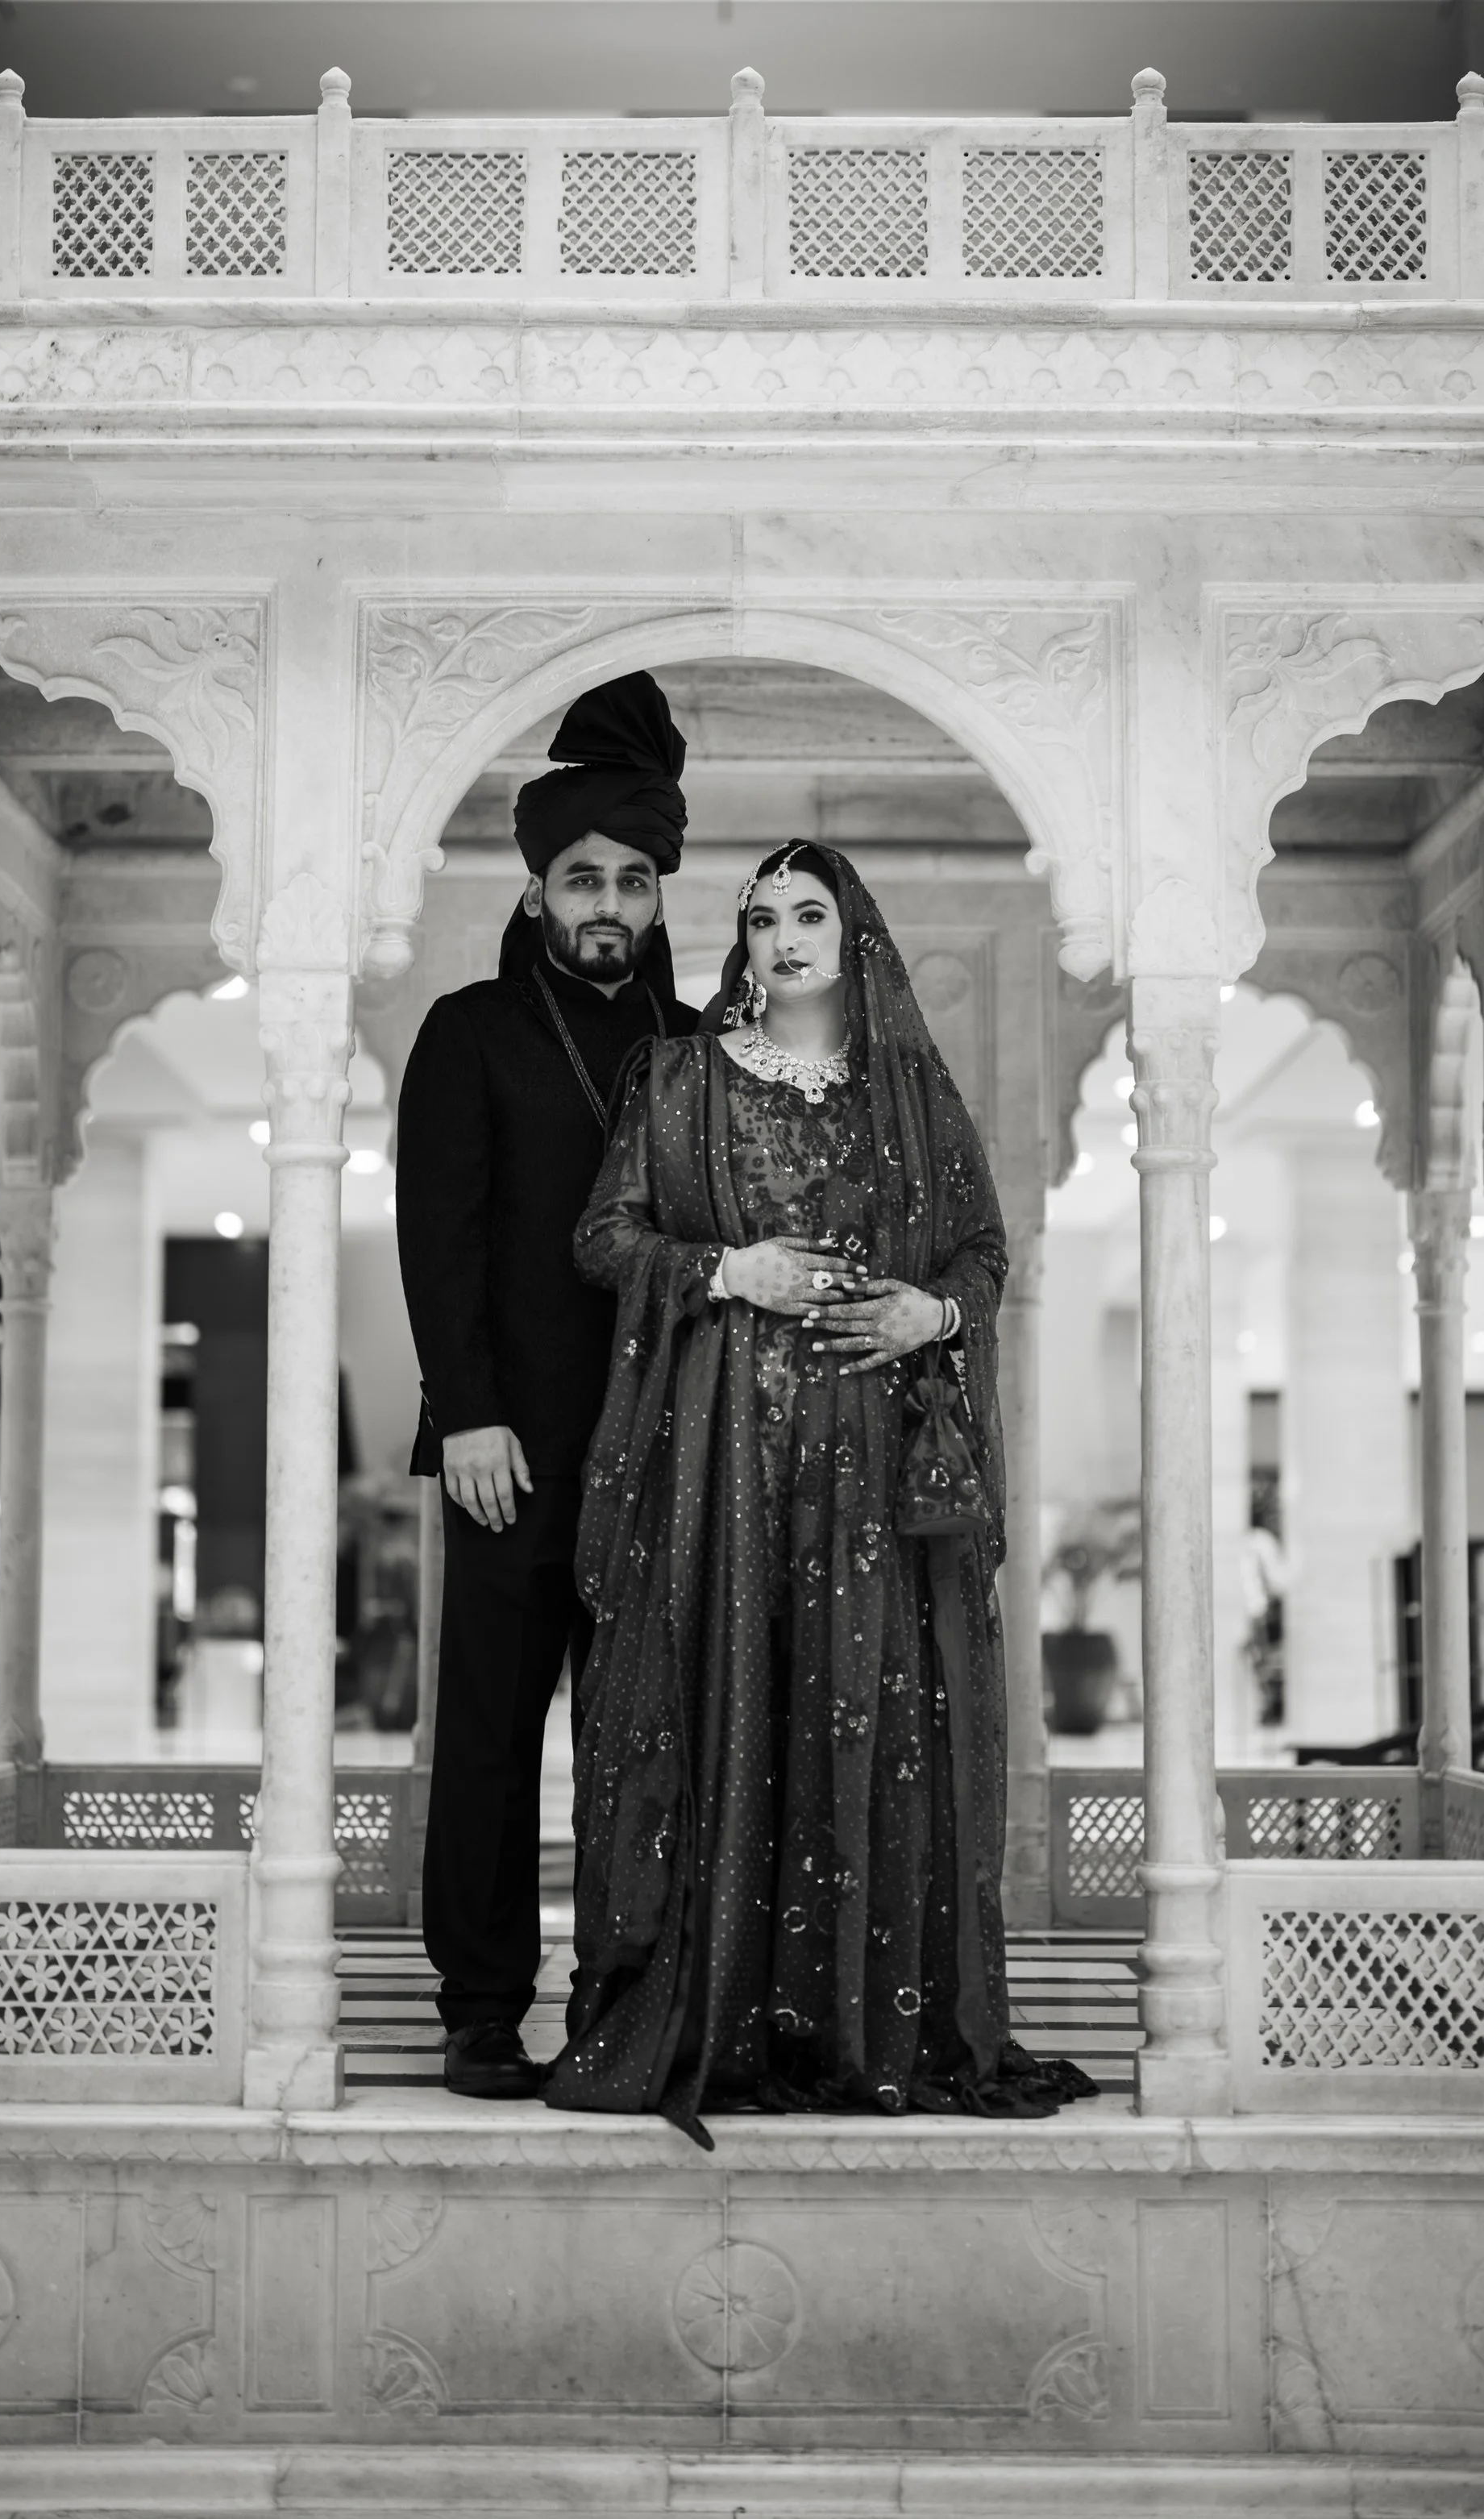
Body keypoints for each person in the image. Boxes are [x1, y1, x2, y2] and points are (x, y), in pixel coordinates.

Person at [543, 842, 1096, 2146]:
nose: (782, 936)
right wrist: (731, 1273)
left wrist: (929, 1311)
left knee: (867, 1706)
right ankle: (716, 2012)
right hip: (721, 1454)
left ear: (857, 937)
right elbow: (604, 1237)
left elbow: (983, 1249)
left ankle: (859, 2022)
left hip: (873, 1467)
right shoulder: (680, 1079)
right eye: (759, 917)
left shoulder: (909, 1092)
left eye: (809, 914)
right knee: (723, 1694)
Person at [395, 671, 700, 2099]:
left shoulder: (698, 1056)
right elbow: (435, 1239)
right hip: (507, 1451)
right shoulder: (469, 1032)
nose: (610, 904)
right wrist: (464, 1412)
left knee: (642, 1743)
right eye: (584, 877)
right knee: (492, 1740)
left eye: (634, 881)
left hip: (659, 1457)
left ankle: (624, 1997)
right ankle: (478, 2006)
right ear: (535, 891)